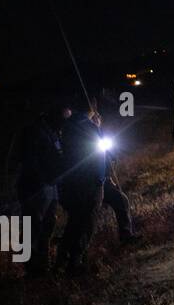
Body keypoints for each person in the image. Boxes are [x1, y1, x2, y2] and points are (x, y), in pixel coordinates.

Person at [15, 101, 68, 277]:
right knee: (33, 228)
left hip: (50, 185)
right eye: (63, 118)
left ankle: (42, 265)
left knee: (48, 225)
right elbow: (29, 161)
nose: (65, 122)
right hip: (35, 187)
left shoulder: (53, 131)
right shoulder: (35, 132)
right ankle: (30, 269)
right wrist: (43, 178)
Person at [55, 98, 108, 275]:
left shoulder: (67, 126)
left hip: (72, 181)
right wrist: (98, 128)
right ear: (92, 107)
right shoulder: (89, 127)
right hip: (90, 181)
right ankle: (75, 261)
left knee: (74, 221)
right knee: (87, 221)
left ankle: (60, 260)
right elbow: (101, 153)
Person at [89, 106, 138, 244]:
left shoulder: (100, 135)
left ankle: (126, 235)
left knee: (121, 200)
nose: (97, 120)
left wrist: (109, 174)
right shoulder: (85, 135)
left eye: (98, 118)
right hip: (90, 183)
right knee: (87, 217)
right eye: (94, 118)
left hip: (104, 180)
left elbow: (109, 158)